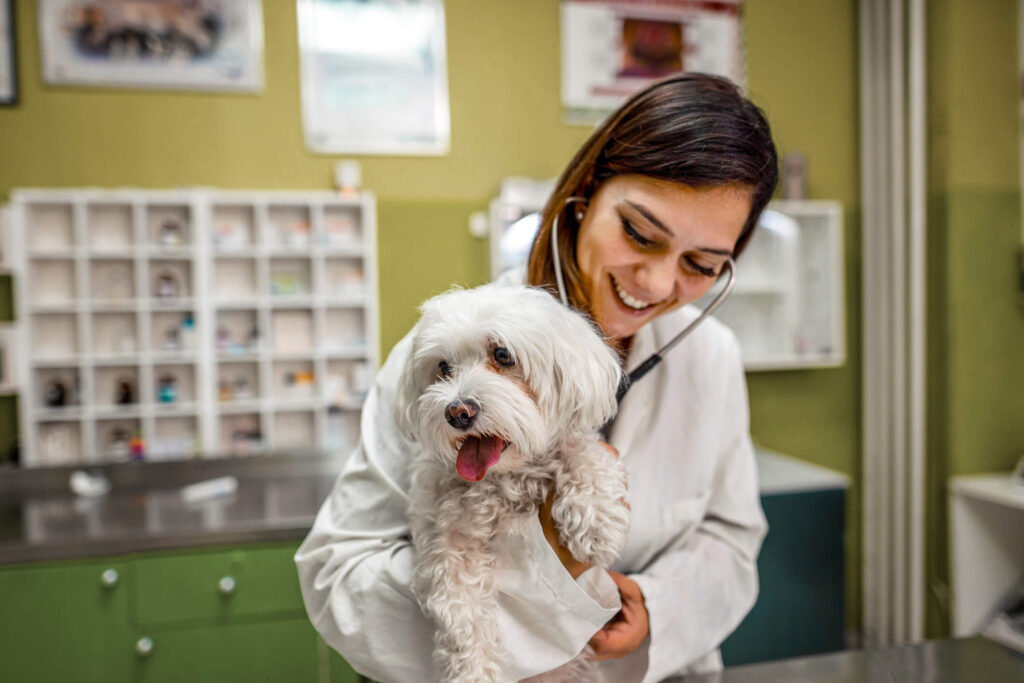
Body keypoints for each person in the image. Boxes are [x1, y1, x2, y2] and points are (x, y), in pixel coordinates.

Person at [295, 72, 779, 682]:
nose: (656, 284)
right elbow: (339, 571)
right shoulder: (443, 355)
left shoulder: (713, 357)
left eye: (700, 264)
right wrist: (518, 606)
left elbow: (731, 542)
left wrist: (657, 609)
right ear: (585, 194)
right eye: (638, 233)